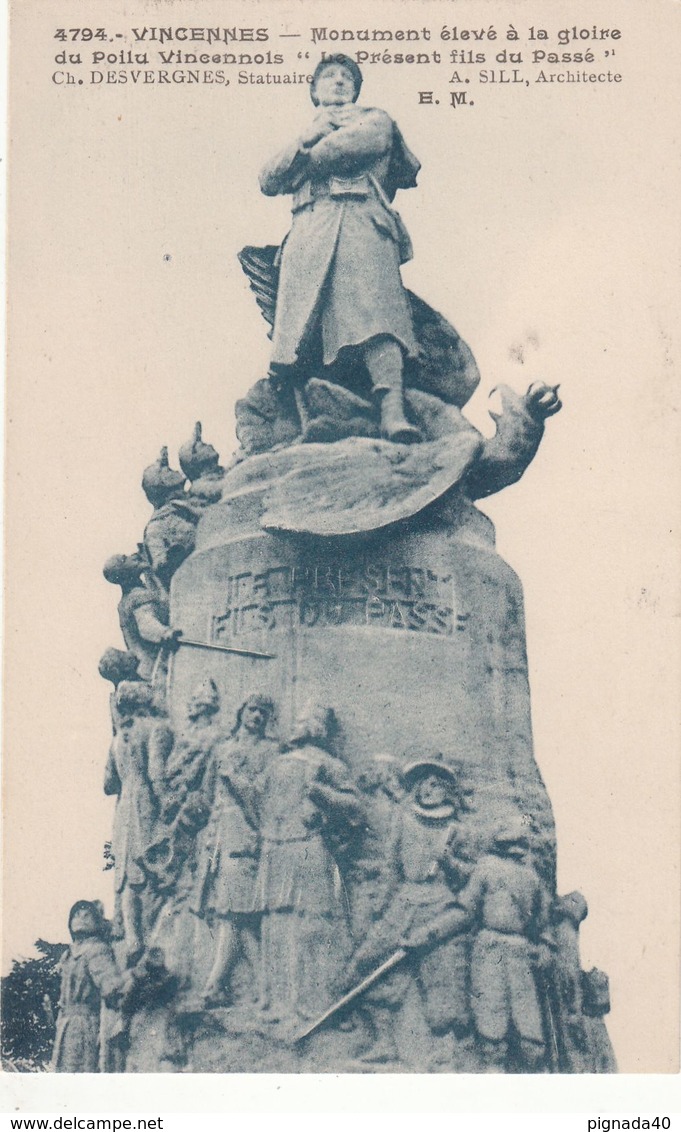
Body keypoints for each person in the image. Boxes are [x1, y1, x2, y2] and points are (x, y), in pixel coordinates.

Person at [260, 55, 422, 444]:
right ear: (314, 92)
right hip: (309, 229)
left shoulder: (375, 118)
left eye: (347, 77)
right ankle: (308, 423)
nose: (338, 82)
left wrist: (302, 159)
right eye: (328, 77)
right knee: (300, 335)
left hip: (360, 219)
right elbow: (267, 178)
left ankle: (392, 411)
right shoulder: (306, 132)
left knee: (376, 316)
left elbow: (351, 148)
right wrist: (305, 138)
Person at [254, 704, 363, 1023]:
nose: (302, 725)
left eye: (308, 720)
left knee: (312, 923)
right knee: (275, 923)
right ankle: (278, 1001)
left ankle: (314, 1000)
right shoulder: (276, 765)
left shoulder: (329, 764)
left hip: (310, 847)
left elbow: (355, 808)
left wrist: (321, 795)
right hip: (276, 848)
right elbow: (257, 802)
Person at [195, 696, 279, 1006]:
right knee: (230, 914)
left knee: (232, 911)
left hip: (247, 836)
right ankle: (264, 985)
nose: (257, 716)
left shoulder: (271, 752)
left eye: (263, 712)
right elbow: (207, 794)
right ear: (240, 711)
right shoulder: (223, 749)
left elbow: (267, 797)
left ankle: (217, 983)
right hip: (218, 838)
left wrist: (237, 780)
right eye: (252, 710)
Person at [52, 901, 131, 1072]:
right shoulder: (68, 955)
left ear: (97, 923)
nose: (81, 917)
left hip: (84, 1025)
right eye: (76, 914)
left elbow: (111, 986)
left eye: (88, 914)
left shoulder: (97, 950)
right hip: (65, 1025)